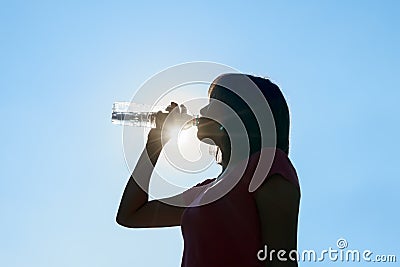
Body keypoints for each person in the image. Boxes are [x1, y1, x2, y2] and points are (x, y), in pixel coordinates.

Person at [116, 73, 301, 267]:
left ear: (239, 112)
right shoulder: (205, 191)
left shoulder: (267, 166)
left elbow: (281, 260)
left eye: (213, 103)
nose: (203, 110)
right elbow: (130, 214)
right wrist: (156, 142)